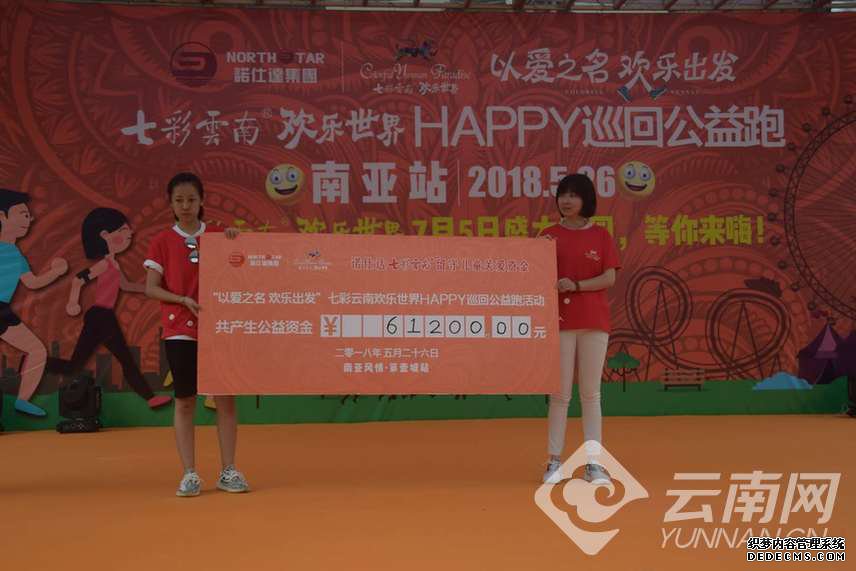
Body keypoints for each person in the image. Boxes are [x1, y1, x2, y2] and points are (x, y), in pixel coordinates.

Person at [143, 172, 249, 497]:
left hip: (218, 328)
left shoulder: (218, 236)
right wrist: (182, 300)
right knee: (185, 400)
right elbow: (151, 288)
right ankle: (189, 473)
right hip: (179, 329)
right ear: (171, 204)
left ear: (202, 200)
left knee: (225, 400)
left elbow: (242, 271)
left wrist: (236, 242)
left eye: (191, 199)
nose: (185, 206)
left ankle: (229, 470)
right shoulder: (162, 241)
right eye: (179, 200)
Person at [47, 208, 172, 409]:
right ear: (105, 235)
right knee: (123, 359)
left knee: (76, 365)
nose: (129, 233)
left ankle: (39, 363)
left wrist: (152, 288)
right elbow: (78, 280)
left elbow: (126, 286)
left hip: (102, 316)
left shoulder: (113, 263)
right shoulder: (104, 264)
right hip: (100, 316)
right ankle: (150, 398)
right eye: (123, 230)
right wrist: (73, 302)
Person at [539, 174, 620, 486]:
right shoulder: (548, 236)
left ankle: (593, 464)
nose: (567, 200)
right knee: (559, 394)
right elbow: (534, 274)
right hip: (559, 322)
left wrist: (576, 285)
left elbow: (609, 278)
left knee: (591, 394)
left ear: (586, 200)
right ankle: (554, 461)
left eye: (574, 195)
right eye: (563, 194)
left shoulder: (601, 236)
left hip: (594, 322)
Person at [0, 188, 67, 416]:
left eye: (28, 215)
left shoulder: (15, 253)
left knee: (37, 351)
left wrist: (56, 272)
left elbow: (33, 282)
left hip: (3, 310)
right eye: (22, 214)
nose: (28, 220)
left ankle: (23, 400)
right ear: (2, 217)